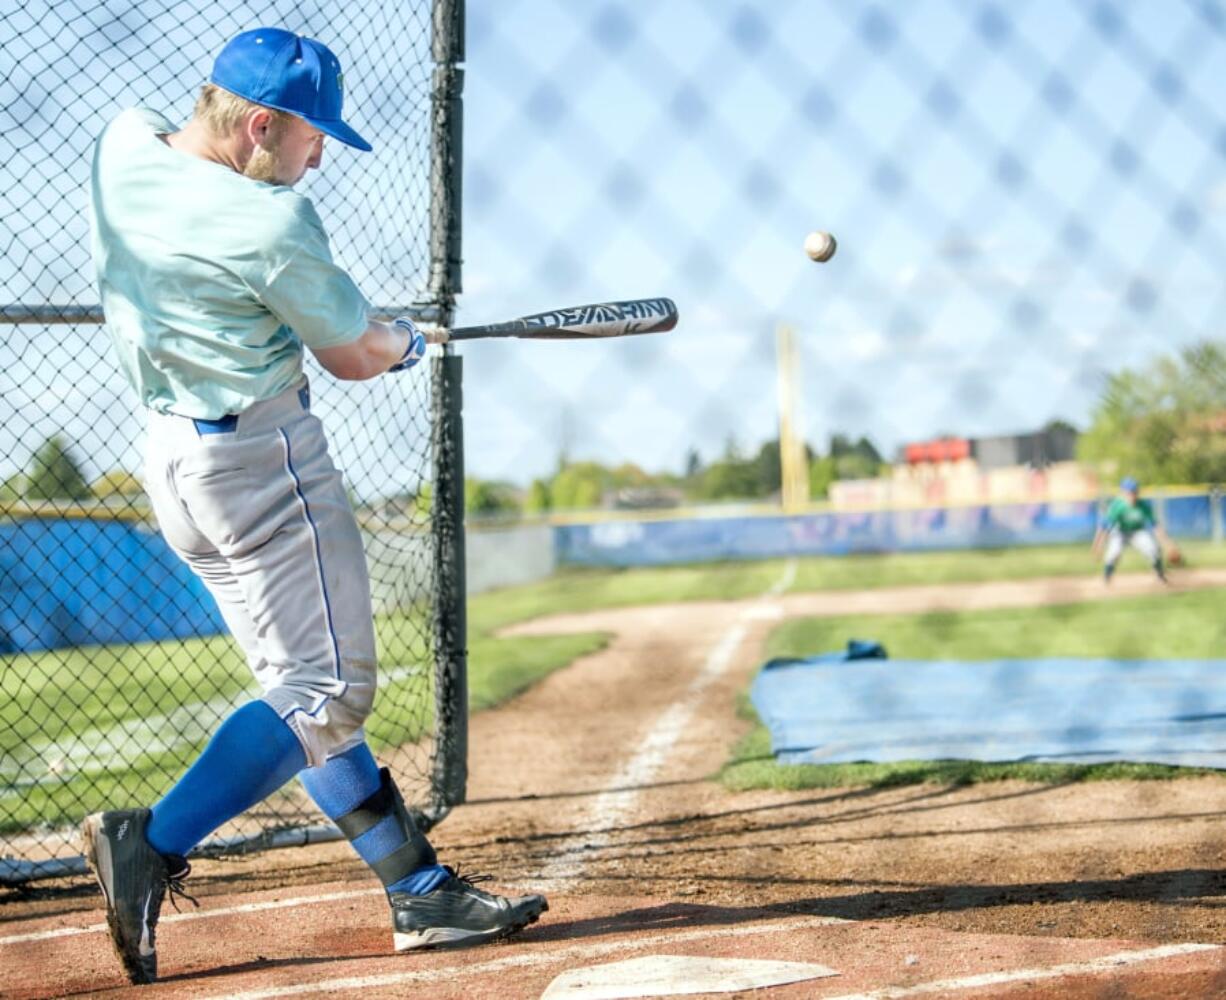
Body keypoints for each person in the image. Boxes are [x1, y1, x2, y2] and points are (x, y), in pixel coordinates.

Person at [84, 27, 545, 985]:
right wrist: (405, 344)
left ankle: (417, 891)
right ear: (257, 125)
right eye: (308, 135)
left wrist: (370, 327)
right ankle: (151, 842)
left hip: (173, 463)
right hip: (263, 466)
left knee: (305, 689)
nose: (319, 152)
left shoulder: (122, 148)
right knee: (328, 693)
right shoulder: (271, 223)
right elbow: (350, 355)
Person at [1091, 476, 1180, 584]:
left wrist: (1169, 545)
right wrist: (1097, 545)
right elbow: (1103, 527)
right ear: (1123, 493)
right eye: (1129, 492)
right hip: (1120, 532)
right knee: (1114, 552)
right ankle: (1107, 578)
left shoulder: (1143, 506)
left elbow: (1155, 527)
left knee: (1153, 549)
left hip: (1138, 531)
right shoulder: (1117, 506)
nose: (1132, 495)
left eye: (1134, 492)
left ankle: (1160, 576)